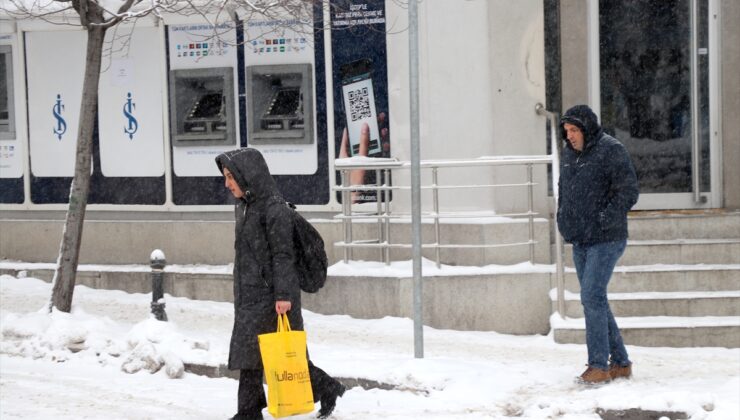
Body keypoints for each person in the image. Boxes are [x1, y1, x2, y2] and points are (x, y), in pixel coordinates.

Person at [215, 148, 346, 420]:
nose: (227, 183)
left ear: (247, 176)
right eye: (226, 176)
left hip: (274, 298)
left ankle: (324, 387)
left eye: (231, 177)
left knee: (285, 356)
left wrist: (284, 295)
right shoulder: (246, 207)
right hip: (252, 295)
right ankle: (250, 411)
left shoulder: (274, 209)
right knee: (251, 355)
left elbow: (283, 255)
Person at [556, 104, 639, 385]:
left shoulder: (610, 150)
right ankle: (621, 363)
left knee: (591, 296)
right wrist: (563, 220)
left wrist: (606, 217)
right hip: (581, 238)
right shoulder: (569, 154)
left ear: (587, 129)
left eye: (574, 130)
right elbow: (564, 192)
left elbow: (628, 191)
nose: (570, 136)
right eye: (567, 131)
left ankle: (598, 366)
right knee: (596, 299)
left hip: (607, 237)